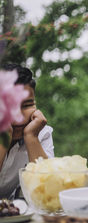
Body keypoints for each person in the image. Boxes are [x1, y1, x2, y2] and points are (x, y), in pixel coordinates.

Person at [0, 63, 54, 199]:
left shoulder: (40, 132)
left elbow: (48, 192)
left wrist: (31, 137)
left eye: (27, 105)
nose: (18, 118)